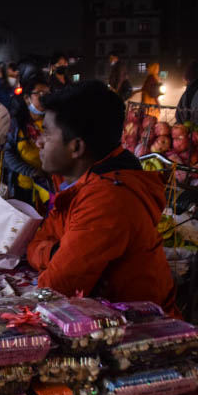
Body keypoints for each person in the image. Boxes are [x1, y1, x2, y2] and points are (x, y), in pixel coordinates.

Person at [26, 80, 176, 313]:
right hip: (101, 318)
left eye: (46, 133)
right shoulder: (74, 182)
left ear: (76, 147)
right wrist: (54, 253)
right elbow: (38, 241)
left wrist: (49, 254)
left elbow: (56, 288)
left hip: (137, 330)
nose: (39, 142)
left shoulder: (108, 197)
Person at [3, 74, 55, 207]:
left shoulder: (54, 123)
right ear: (27, 98)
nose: (45, 97)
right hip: (24, 188)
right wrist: (31, 172)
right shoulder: (16, 124)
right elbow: (7, 154)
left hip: (50, 187)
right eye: (40, 93)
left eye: (48, 93)